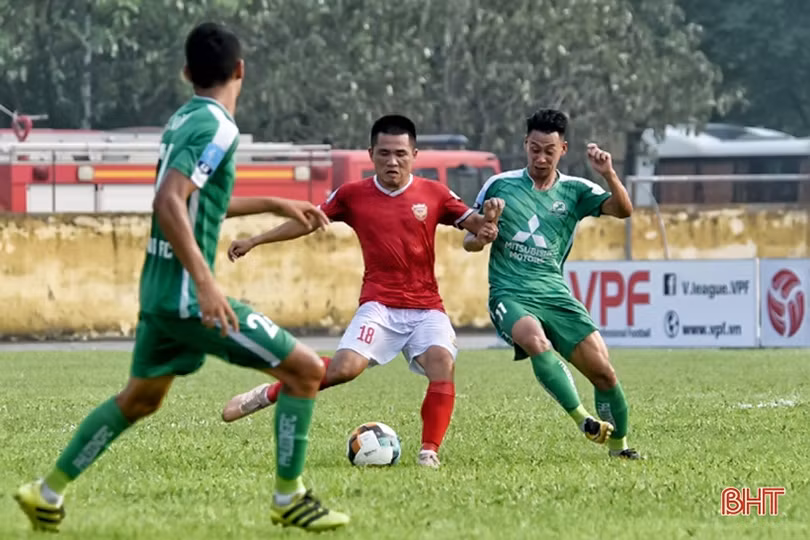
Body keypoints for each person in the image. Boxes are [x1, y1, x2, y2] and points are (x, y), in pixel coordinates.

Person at [13, 22, 350, 533]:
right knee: (305, 372)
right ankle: (289, 497)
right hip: (190, 299)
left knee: (140, 399)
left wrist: (274, 202)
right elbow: (168, 201)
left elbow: (195, 202)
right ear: (241, 71)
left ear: (187, 73)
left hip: (159, 292)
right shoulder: (219, 127)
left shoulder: (184, 120)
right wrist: (209, 284)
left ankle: (46, 492)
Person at [222, 114, 504, 468]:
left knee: (442, 364)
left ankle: (428, 452)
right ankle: (268, 393)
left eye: (401, 153)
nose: (392, 161)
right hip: (379, 305)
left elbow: (477, 229)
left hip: (426, 307)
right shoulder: (352, 195)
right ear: (371, 154)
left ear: (415, 154)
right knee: (344, 369)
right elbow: (308, 222)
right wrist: (255, 240)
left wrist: (490, 221)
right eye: (384, 153)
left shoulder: (435, 194)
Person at [464, 109, 642, 459]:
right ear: (525, 145)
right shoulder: (499, 186)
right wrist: (485, 234)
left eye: (549, 150)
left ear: (563, 148)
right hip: (509, 292)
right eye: (534, 149)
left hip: (554, 293)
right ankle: (583, 421)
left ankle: (619, 449)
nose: (541, 157)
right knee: (535, 341)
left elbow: (624, 210)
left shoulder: (575, 190)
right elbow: (469, 241)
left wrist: (608, 173)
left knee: (604, 374)